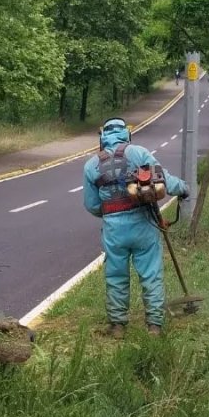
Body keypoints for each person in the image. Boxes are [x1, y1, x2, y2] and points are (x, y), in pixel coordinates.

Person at [82, 118, 188, 338]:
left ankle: (118, 326)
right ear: (126, 134)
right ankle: (154, 327)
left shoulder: (91, 164)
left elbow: (92, 205)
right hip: (143, 225)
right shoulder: (139, 153)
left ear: (102, 137)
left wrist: (113, 214)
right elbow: (164, 180)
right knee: (151, 274)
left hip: (114, 231)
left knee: (116, 275)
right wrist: (183, 189)